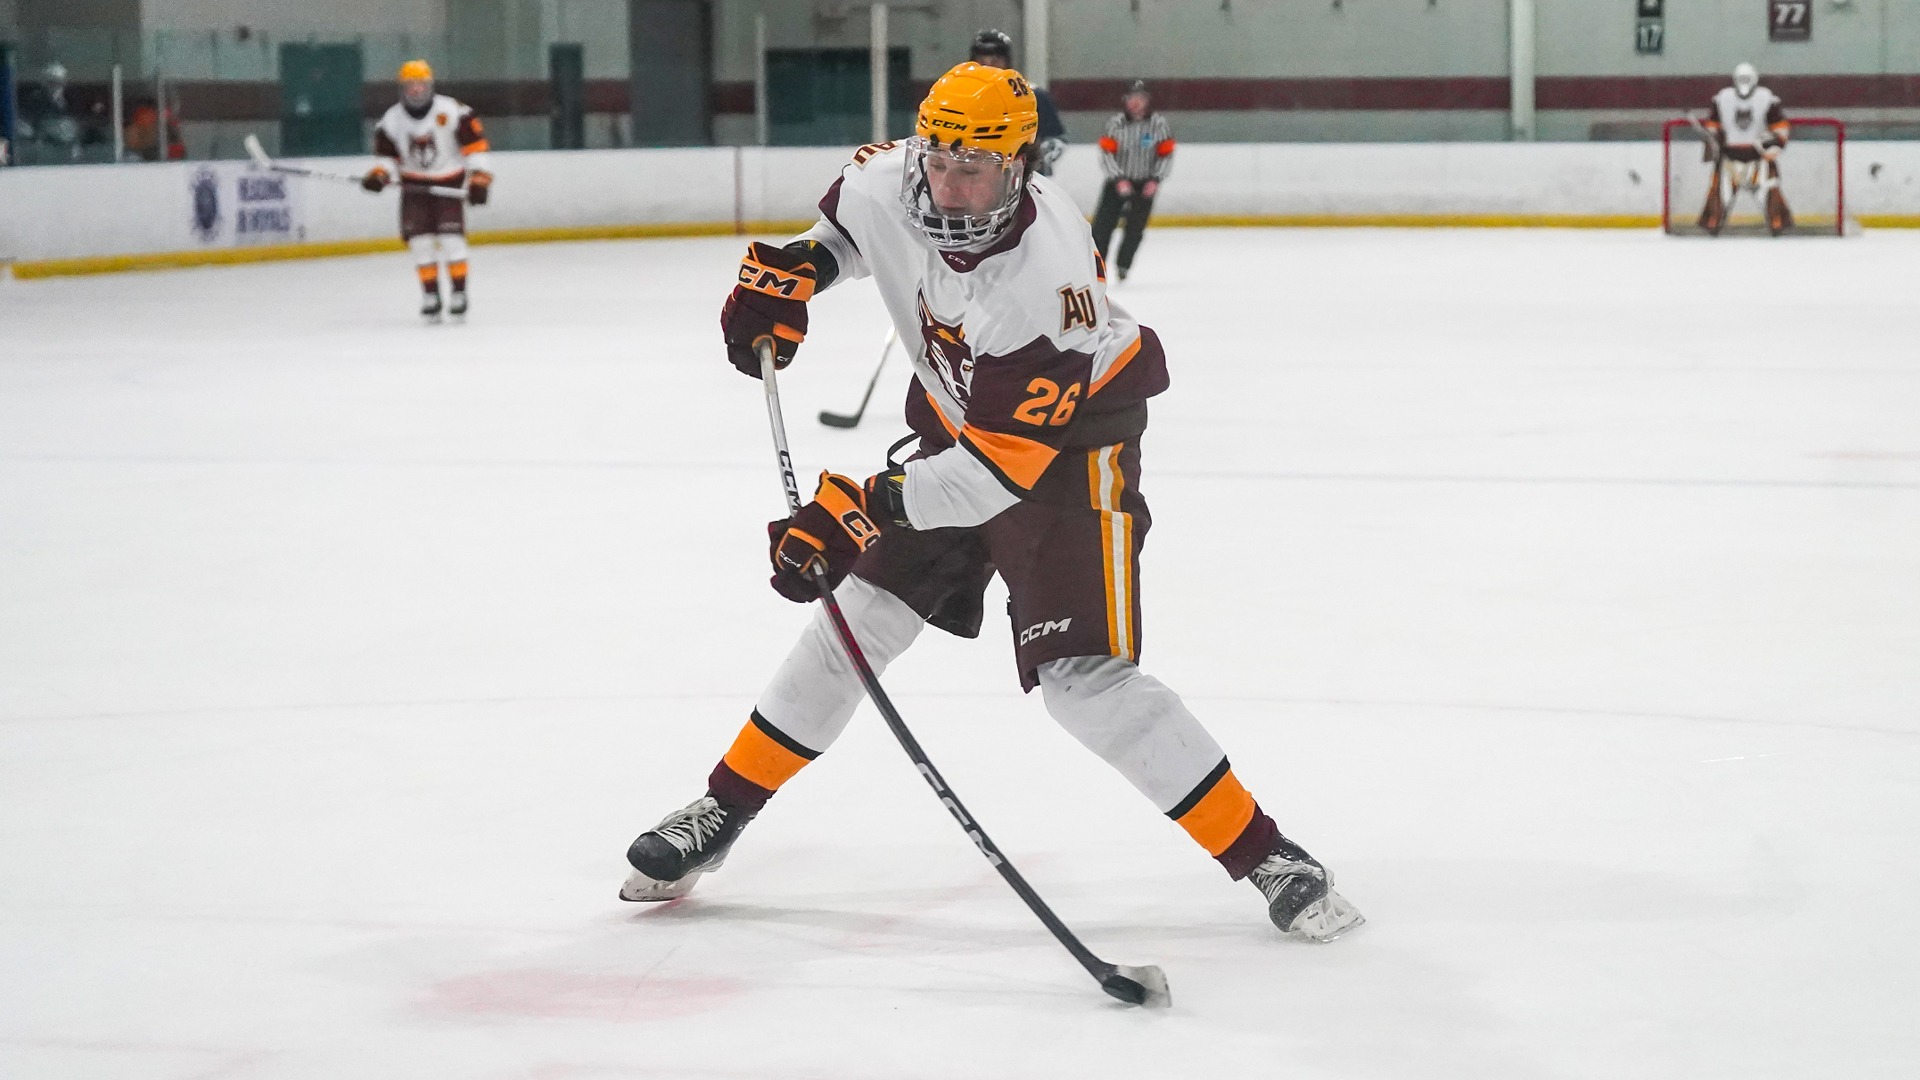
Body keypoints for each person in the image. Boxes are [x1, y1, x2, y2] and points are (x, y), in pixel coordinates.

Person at [617, 62, 1364, 945]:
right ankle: (723, 809)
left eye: (978, 170)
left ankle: (1270, 855)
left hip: (1070, 450)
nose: (953, 185)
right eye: (940, 161)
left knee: (1084, 682)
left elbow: (990, 479)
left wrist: (860, 509)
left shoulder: (1051, 284)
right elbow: (843, 235)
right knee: (858, 619)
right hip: (962, 418)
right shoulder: (884, 177)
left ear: (1020, 167)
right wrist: (797, 277)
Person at [364, 60, 493, 319]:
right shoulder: (391, 120)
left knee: (451, 241)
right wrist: (379, 175)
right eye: (410, 85)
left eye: (421, 84)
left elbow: (475, 148)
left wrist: (479, 179)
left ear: (430, 85)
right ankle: (430, 295)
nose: (416, 90)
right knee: (420, 244)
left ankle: (458, 293)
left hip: (448, 182)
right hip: (413, 186)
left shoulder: (455, 112)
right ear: (402, 88)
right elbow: (388, 159)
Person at [1091, 81, 1173, 281]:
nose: (1136, 103)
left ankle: (1123, 265)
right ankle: (1095, 268)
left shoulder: (1158, 125)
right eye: (1132, 99)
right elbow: (1106, 155)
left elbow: (1166, 155)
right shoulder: (1115, 124)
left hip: (1145, 184)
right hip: (1116, 183)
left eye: (1140, 99)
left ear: (1147, 101)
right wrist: (1118, 179)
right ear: (1126, 101)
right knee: (1102, 227)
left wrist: (1155, 179)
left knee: (1135, 228)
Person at [1698, 62, 1791, 236]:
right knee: (1719, 193)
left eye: (1747, 78)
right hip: (1728, 159)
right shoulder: (1722, 99)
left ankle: (1777, 221)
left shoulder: (1767, 98)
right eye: (1741, 78)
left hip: (1758, 159)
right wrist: (1714, 139)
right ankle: (1713, 221)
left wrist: (1770, 144)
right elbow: (1712, 126)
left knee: (1770, 190)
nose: (1744, 82)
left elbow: (1781, 129)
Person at [968, 28, 1065, 176]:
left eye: (995, 61)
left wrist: (1040, 159)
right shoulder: (964, 98)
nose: (989, 67)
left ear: (1007, 62)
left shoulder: (1033, 95)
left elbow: (1054, 138)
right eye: (982, 62)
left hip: (1024, 178)